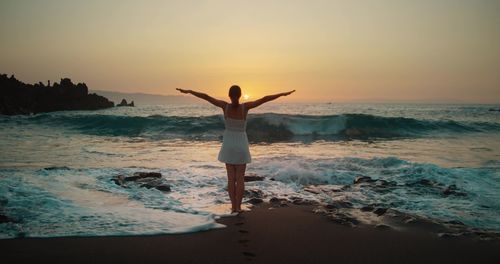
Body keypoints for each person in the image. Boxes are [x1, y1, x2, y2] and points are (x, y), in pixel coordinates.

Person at [176, 85, 295, 213]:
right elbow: (265, 98)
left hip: (228, 145)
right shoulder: (245, 107)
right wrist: (282, 93)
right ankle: (238, 207)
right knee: (240, 178)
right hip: (241, 145)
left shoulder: (224, 106)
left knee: (231, 178)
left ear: (229, 95)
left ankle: (233, 207)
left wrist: (189, 91)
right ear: (240, 95)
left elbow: (206, 96)